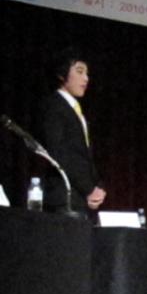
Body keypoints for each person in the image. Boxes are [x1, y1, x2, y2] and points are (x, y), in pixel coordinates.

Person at [35, 48, 106, 217]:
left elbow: (84, 156)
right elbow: (59, 153)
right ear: (62, 74)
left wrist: (98, 186)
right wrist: (88, 189)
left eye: (87, 73)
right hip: (63, 197)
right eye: (79, 72)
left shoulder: (75, 109)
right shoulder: (53, 106)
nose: (86, 78)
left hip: (80, 198)